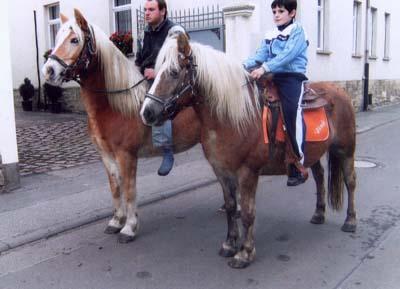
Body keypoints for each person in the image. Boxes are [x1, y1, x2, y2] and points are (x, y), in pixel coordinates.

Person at [243, 0, 309, 186]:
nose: (277, 15)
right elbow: (259, 55)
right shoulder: (270, 34)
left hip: (292, 76)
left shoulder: (297, 31)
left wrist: (264, 68)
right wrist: (240, 67)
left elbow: (288, 55)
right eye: (274, 11)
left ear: (292, 13)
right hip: (272, 76)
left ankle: (297, 161)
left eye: (281, 11)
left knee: (291, 113)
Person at [135, 0, 185, 176]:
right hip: (147, 76)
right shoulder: (145, 32)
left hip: (168, 79)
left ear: (163, 11)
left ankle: (166, 151)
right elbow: (139, 59)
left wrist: (156, 73)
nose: (146, 13)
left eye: (151, 9)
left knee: (157, 104)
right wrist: (141, 70)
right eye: (145, 10)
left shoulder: (175, 32)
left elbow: (180, 60)